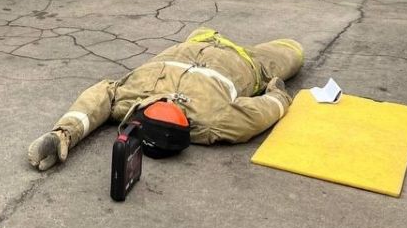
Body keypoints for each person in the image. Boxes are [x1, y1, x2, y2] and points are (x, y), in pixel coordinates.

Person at [27, 28, 304, 171]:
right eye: (176, 115)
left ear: (143, 116)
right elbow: (265, 110)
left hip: (197, 41)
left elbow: (95, 101)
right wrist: (278, 91)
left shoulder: (130, 98)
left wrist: (63, 133)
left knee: (202, 28)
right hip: (247, 62)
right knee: (295, 49)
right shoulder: (213, 122)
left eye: (162, 109)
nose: (172, 106)